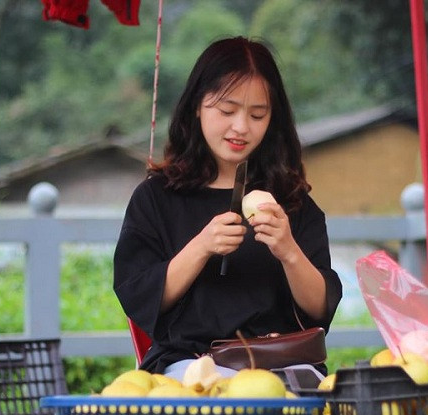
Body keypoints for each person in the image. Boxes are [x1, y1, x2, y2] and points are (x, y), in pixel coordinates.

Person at [113, 36, 342, 379]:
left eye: (257, 114)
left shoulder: (291, 200)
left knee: (313, 399)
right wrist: (202, 246)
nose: (241, 127)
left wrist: (288, 251)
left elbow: (319, 310)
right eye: (226, 110)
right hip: (190, 365)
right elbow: (139, 296)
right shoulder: (157, 197)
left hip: (281, 365)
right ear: (197, 105)